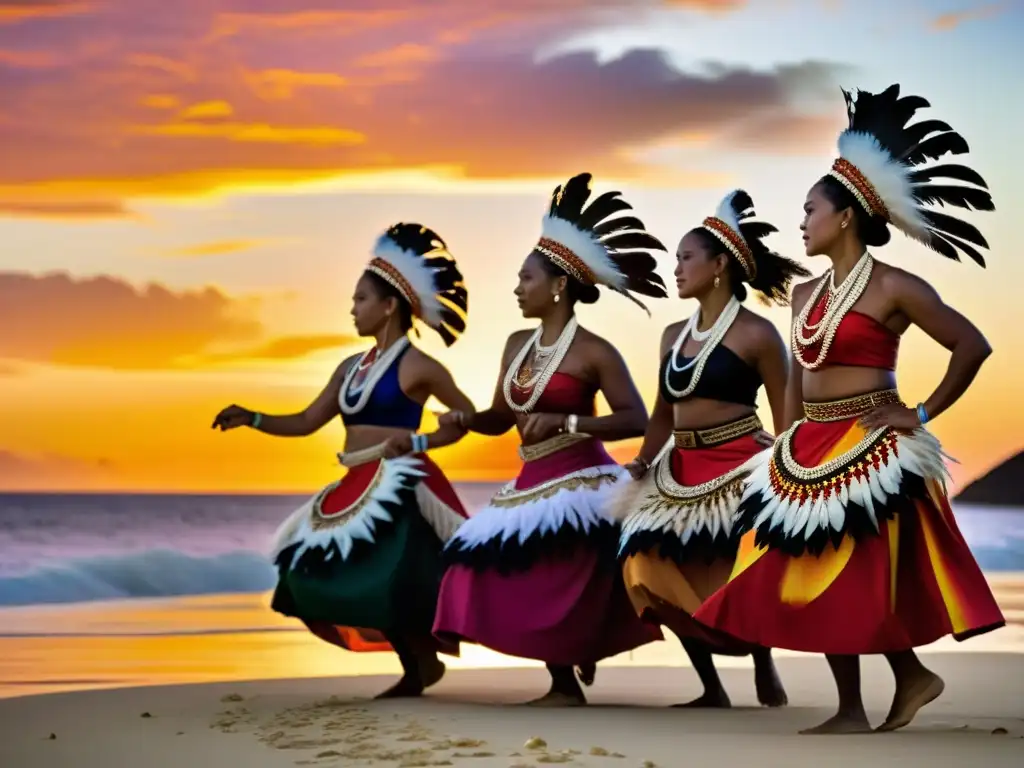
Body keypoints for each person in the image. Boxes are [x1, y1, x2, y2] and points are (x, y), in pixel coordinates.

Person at [693, 84, 1005, 733]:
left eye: (810, 210)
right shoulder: (805, 294)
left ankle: (903, 680)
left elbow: (972, 345)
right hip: (808, 445)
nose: (801, 221)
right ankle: (861, 703)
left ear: (844, 217)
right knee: (802, 565)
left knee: (853, 572)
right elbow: (801, 372)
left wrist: (918, 414)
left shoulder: (895, 285)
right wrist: (788, 438)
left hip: (871, 441)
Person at [212, 223, 476, 699]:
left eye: (360, 299)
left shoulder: (419, 367)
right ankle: (418, 663)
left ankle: (419, 666)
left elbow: (464, 419)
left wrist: (419, 443)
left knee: (390, 581)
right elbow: (307, 420)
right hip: (356, 484)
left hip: (401, 487)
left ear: (389, 305)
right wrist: (251, 416)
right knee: (310, 571)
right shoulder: (348, 368)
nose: (352, 309)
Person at [432, 172, 667, 706]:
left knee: (564, 570)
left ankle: (571, 667)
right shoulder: (517, 343)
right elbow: (499, 415)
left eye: (525, 279)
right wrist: (464, 422)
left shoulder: (595, 351)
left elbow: (636, 418)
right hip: (530, 478)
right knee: (472, 563)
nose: (517, 288)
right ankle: (563, 676)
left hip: (583, 478)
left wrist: (571, 424)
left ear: (557, 284)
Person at [614, 190, 809, 708]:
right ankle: (710, 686)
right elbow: (662, 411)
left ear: (720, 264)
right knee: (648, 562)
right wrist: (641, 458)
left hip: (737, 461)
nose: (674, 268)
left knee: (735, 568)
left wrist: (785, 458)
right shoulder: (673, 335)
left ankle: (763, 660)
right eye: (675, 258)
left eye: (685, 258)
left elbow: (785, 404)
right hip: (678, 466)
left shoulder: (758, 334)